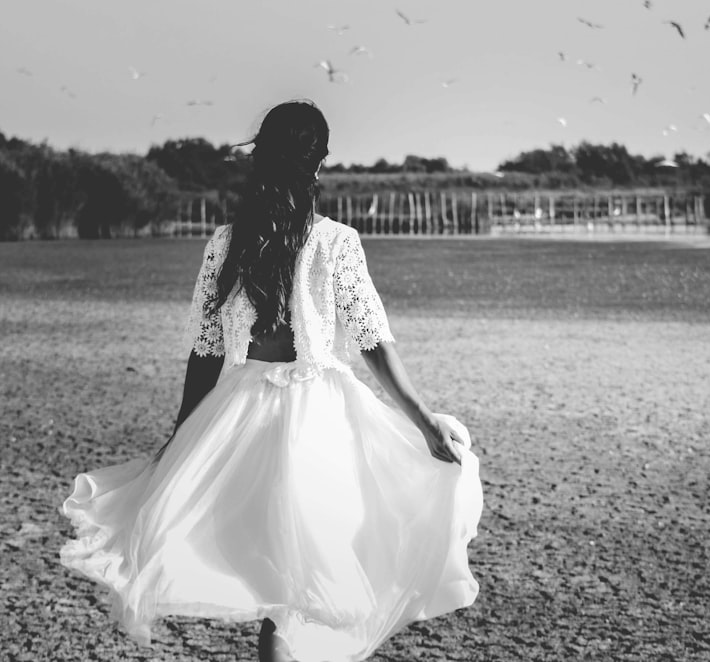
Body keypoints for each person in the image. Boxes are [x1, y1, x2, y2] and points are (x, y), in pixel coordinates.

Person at [59, 100, 482, 662]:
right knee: (302, 591)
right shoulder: (336, 241)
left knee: (281, 596)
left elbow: (205, 353)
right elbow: (373, 342)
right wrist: (422, 419)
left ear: (261, 155)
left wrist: (183, 438)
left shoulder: (227, 242)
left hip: (239, 417)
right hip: (321, 423)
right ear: (320, 162)